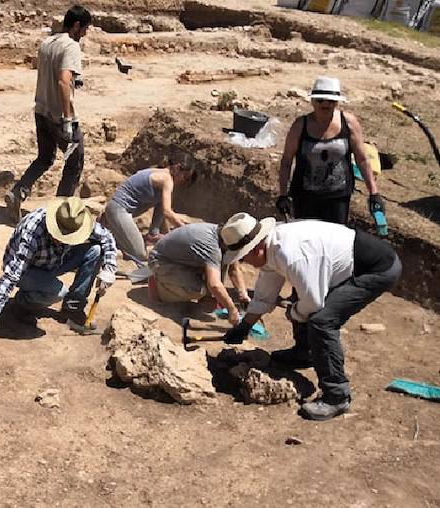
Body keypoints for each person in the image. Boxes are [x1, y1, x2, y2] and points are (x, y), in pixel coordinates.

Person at [220, 213, 400, 421]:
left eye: (243, 256)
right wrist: (244, 326)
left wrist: (294, 312)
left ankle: (337, 396)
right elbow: (264, 294)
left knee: (322, 321)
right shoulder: (270, 249)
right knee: (301, 300)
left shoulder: (291, 253)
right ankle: (305, 353)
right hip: (345, 264)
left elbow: (314, 303)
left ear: (257, 247)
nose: (244, 262)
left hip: (375, 269)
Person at [0, 197, 117, 342]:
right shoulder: (33, 230)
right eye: (61, 235)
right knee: (59, 293)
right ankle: (21, 304)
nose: (64, 240)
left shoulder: (77, 222)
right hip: (28, 271)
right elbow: (11, 276)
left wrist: (109, 269)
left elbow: (107, 237)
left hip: (54, 261)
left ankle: (73, 308)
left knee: (95, 250)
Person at [4, 5, 93, 221]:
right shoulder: (71, 46)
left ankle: (19, 191)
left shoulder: (47, 42)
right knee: (75, 161)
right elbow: (63, 81)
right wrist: (68, 119)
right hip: (58, 116)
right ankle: (59, 215)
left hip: (41, 110)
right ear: (76, 25)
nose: (85, 34)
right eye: (85, 29)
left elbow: (55, 73)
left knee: (44, 158)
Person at [275, 76, 383, 225]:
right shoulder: (300, 126)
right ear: (312, 101)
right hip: (305, 198)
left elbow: (362, 159)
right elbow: (286, 161)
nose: (325, 104)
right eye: (320, 100)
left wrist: (374, 193)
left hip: (338, 199)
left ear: (337, 102)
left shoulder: (349, 123)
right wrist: (283, 195)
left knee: (334, 242)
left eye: (330, 101)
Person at [103, 156, 197, 280]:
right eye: (185, 177)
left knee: (135, 250)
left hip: (117, 210)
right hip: (118, 210)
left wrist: (159, 233)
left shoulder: (162, 176)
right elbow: (168, 212)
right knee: (140, 254)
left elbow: (162, 211)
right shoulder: (166, 179)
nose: (182, 181)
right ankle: (137, 276)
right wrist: (186, 230)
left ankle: (150, 239)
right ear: (178, 168)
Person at [147, 222, 249, 325]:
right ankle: (159, 290)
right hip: (160, 261)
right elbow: (214, 285)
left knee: (221, 265)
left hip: (181, 259)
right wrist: (232, 310)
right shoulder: (211, 247)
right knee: (198, 290)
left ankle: (200, 296)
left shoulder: (224, 235)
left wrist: (243, 295)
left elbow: (234, 268)